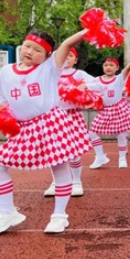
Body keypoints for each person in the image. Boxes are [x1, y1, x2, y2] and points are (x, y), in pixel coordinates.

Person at [0, 30, 91, 236]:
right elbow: (3, 100)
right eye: (27, 46)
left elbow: (67, 43)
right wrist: (7, 121)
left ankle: (60, 216)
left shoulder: (49, 69)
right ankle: (7, 213)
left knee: (59, 167)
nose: (30, 52)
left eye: (38, 50)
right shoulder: (6, 71)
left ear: (48, 55)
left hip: (49, 123)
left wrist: (90, 29)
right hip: (23, 129)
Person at [44, 47, 94, 197]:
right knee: (54, 152)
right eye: (64, 55)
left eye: (70, 55)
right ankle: (57, 181)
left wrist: (85, 86)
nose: (66, 58)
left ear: (76, 60)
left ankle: (76, 181)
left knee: (74, 152)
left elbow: (98, 84)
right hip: (52, 117)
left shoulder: (79, 74)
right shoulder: (50, 74)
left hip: (72, 116)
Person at [88, 58, 130, 169]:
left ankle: (122, 158)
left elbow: (128, 68)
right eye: (105, 65)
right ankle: (100, 157)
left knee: (122, 134)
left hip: (119, 109)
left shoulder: (119, 79)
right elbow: (86, 87)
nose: (108, 67)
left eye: (111, 65)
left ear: (117, 68)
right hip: (105, 111)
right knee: (93, 132)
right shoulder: (97, 80)